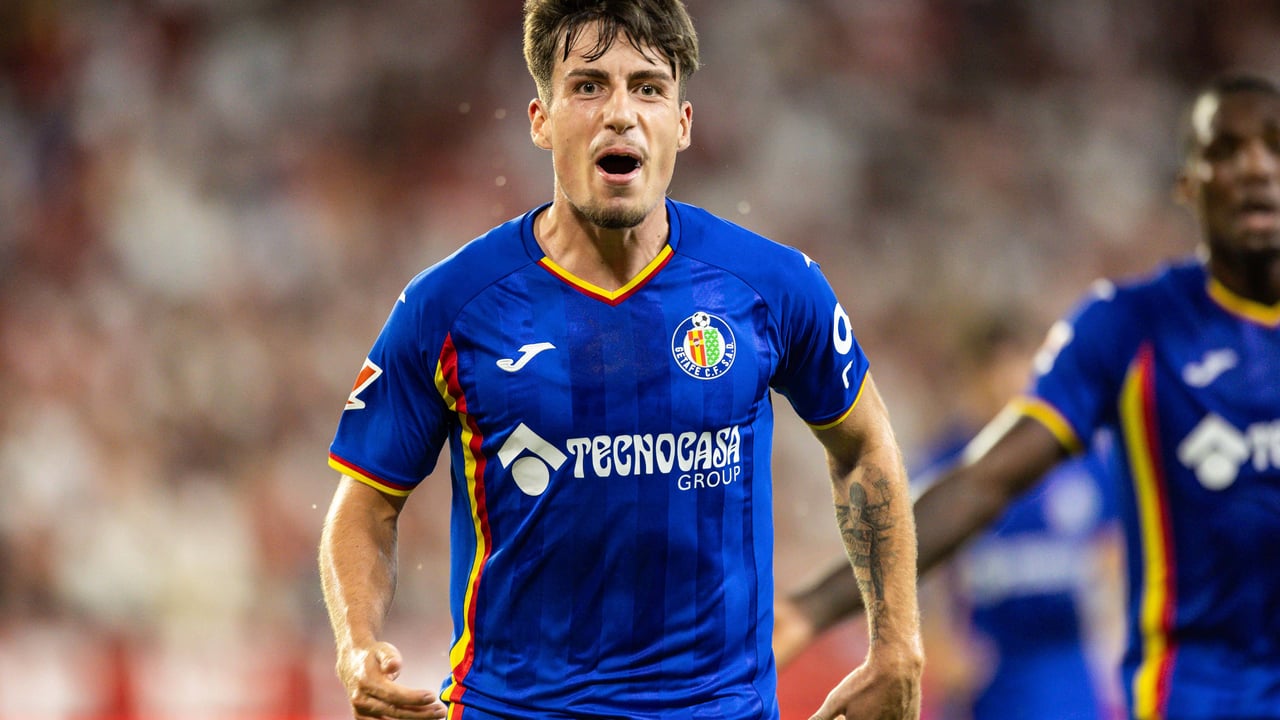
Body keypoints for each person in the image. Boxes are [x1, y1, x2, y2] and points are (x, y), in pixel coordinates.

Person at [316, 2, 923, 719]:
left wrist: (897, 644)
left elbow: (864, 444)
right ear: (540, 119)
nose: (620, 114)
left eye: (648, 88)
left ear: (683, 123)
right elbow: (368, 500)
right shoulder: (448, 305)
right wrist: (357, 643)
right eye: (588, 86)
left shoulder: (771, 284)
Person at [772, 71, 1280, 720]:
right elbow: (983, 483)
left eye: (1274, 145)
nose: (1256, 167)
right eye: (1226, 150)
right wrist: (813, 607)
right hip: (1189, 700)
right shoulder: (1130, 327)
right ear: (1188, 183)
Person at [776, 312, 1125, 720]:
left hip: (1069, 678)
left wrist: (1112, 619)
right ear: (974, 380)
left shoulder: (1081, 463)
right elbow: (884, 569)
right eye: (998, 375)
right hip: (987, 687)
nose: (1011, 388)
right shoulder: (947, 472)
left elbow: (1118, 550)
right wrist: (936, 645)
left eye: (1023, 373)